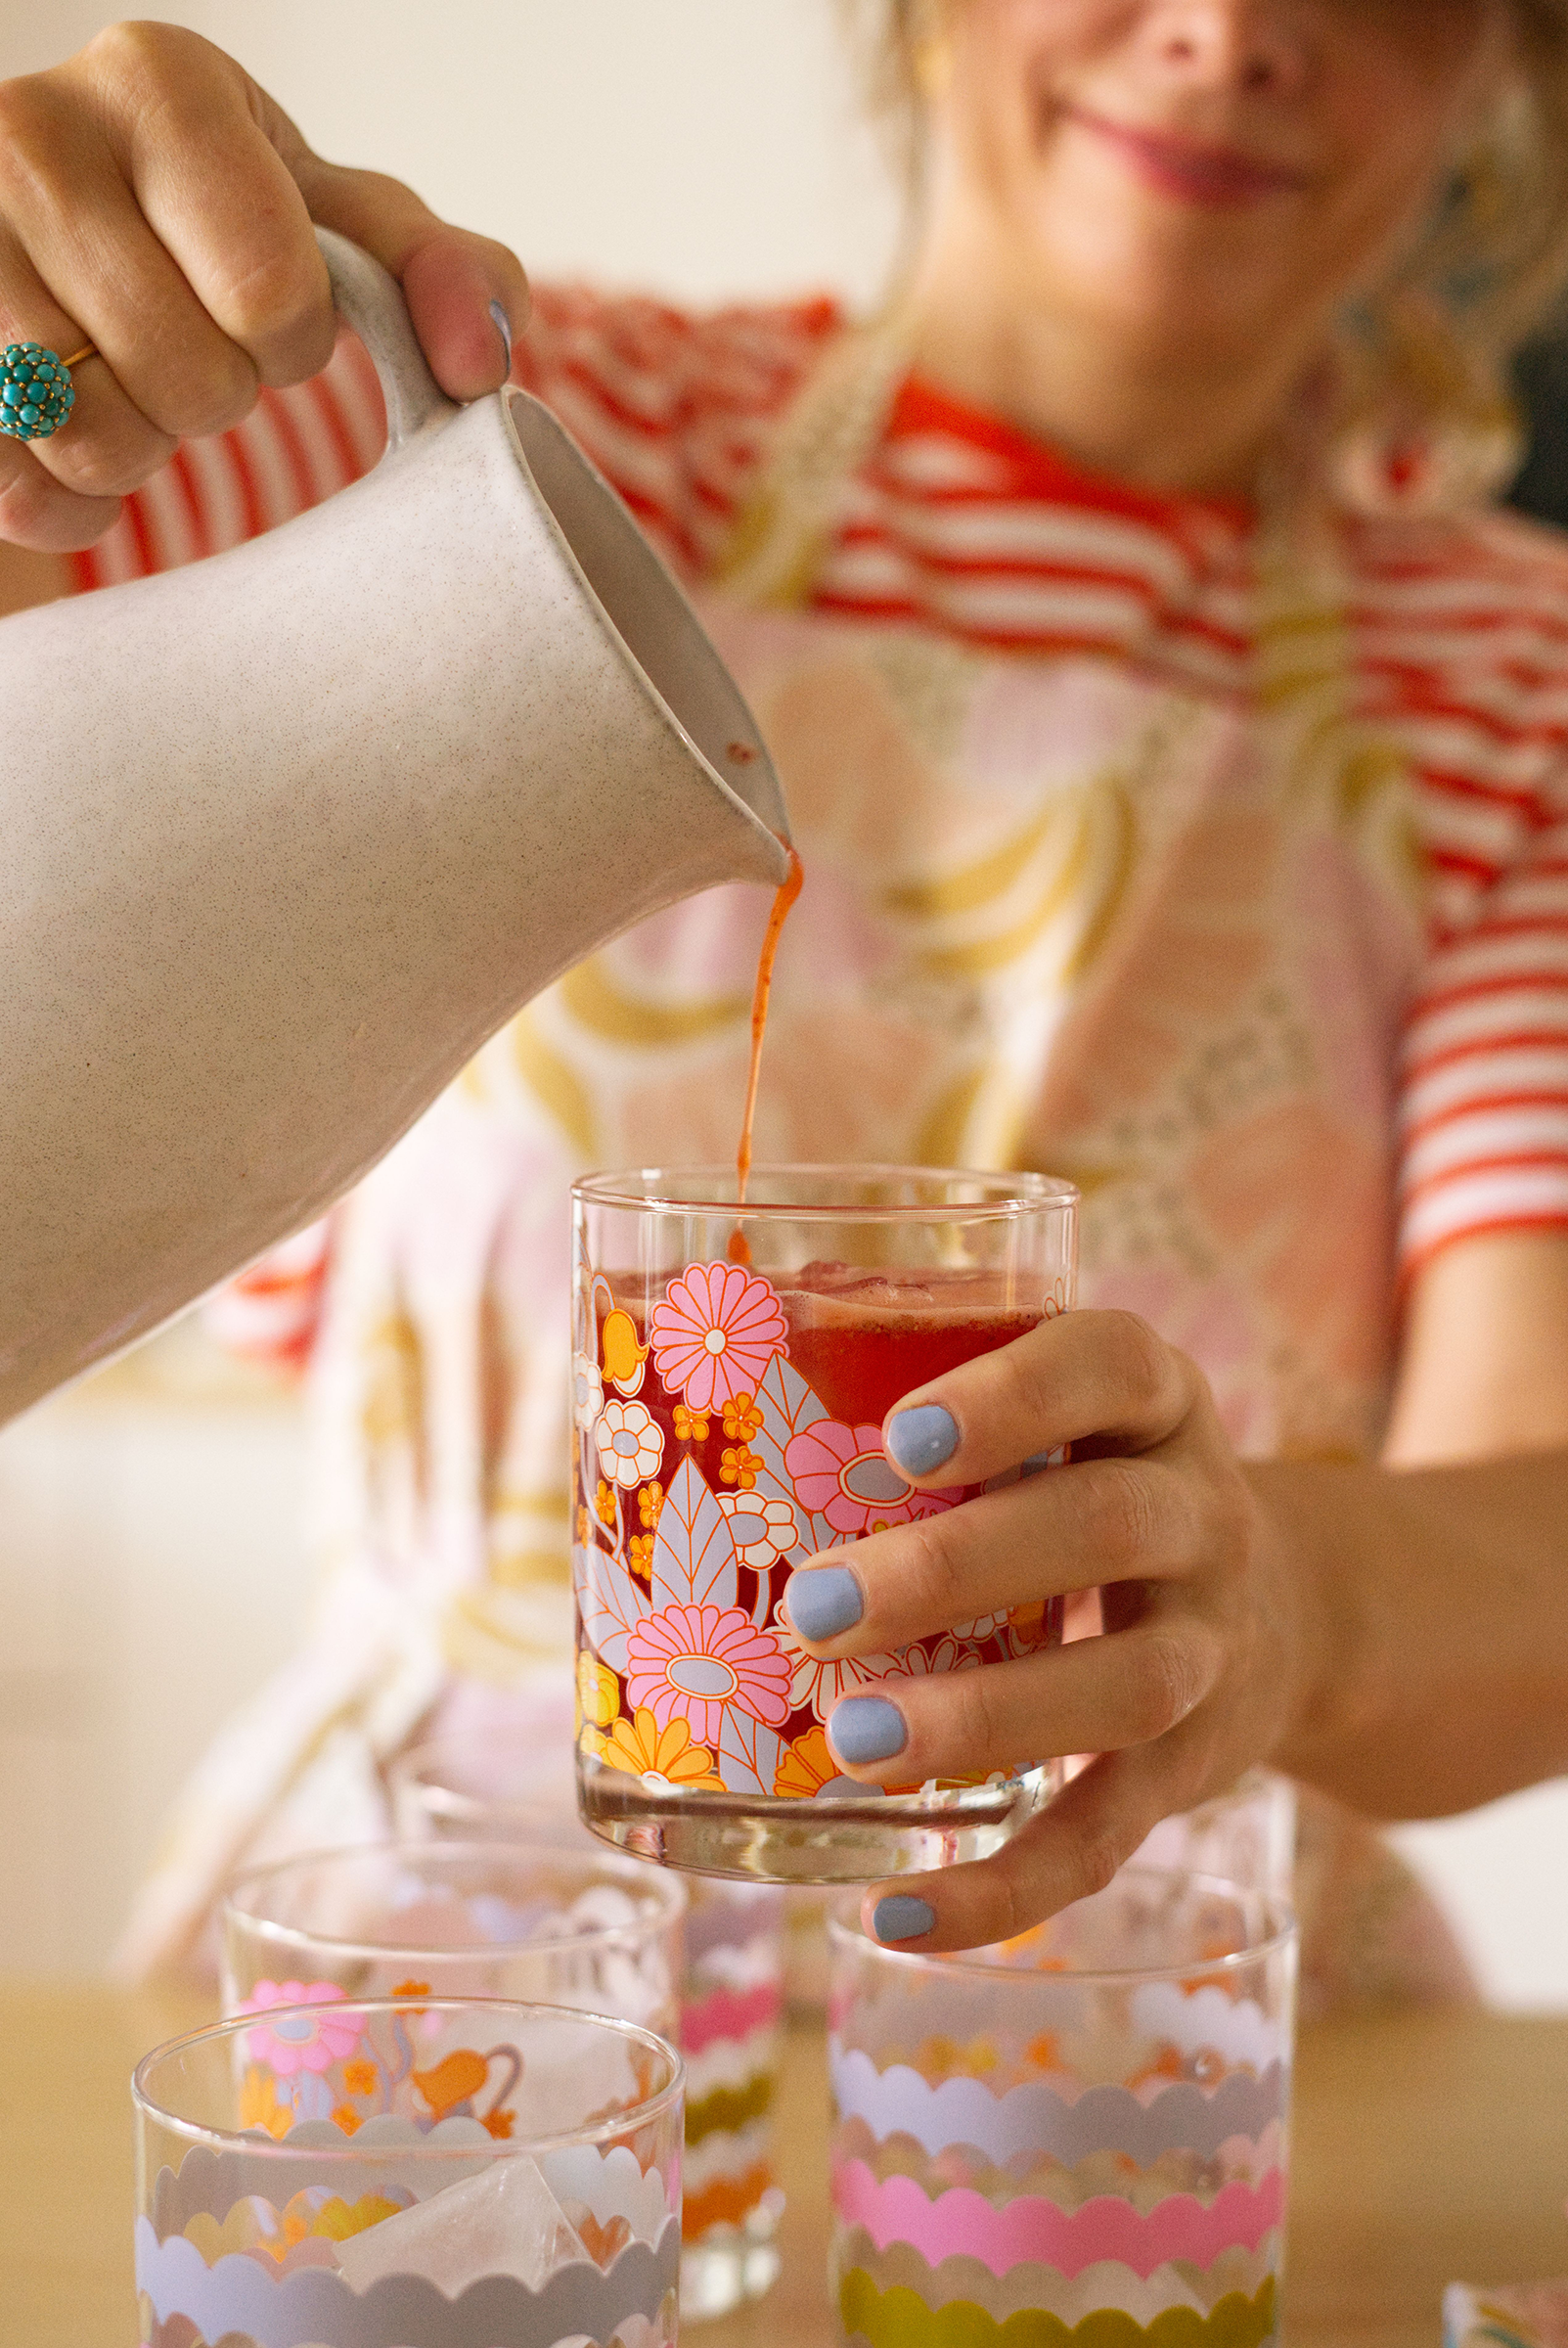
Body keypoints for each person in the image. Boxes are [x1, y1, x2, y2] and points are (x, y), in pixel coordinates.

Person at [2, 8, 1567, 1991]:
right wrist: (41, 310)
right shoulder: (509, 441)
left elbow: (1542, 1541)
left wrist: (1283, 1611)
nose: (1233, 31)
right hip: (449, 2010)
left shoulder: (1518, 685)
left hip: (1132, 2036)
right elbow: (45, 642)